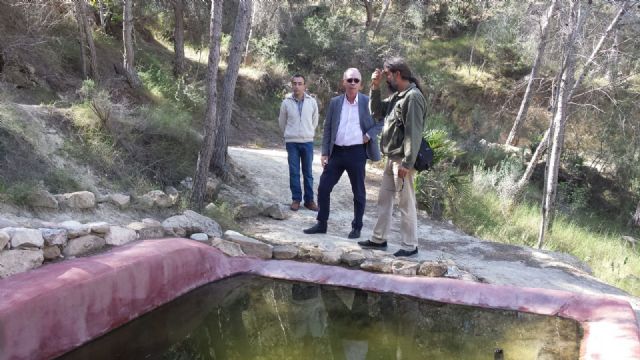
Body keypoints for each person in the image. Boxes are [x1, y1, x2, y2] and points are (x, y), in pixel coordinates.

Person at [358, 57, 426, 257]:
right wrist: (375, 86)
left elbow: (413, 133)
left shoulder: (412, 97)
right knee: (384, 200)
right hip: (392, 159)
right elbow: (376, 112)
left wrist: (407, 162)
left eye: (387, 75)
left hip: (402, 161)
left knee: (405, 203)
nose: (387, 78)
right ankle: (379, 239)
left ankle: (409, 246)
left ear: (397, 74)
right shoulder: (399, 96)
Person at [303, 68, 382, 238]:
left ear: (361, 84)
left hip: (357, 153)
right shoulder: (335, 102)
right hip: (337, 152)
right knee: (324, 188)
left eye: (356, 80)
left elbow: (382, 122)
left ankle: (357, 227)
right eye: (349, 80)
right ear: (343, 82)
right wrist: (325, 152)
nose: (352, 83)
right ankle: (321, 223)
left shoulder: (368, 102)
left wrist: (368, 135)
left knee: (358, 192)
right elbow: (328, 128)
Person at [278, 74, 320, 211]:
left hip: (307, 142)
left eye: (300, 83)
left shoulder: (312, 102)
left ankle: (309, 201)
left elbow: (315, 121)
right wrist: (290, 134)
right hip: (292, 142)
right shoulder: (286, 102)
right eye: (294, 83)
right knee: (294, 172)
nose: (297, 86)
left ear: (305, 86)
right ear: (292, 85)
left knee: (308, 172)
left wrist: (308, 132)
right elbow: (282, 122)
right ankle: (296, 199)